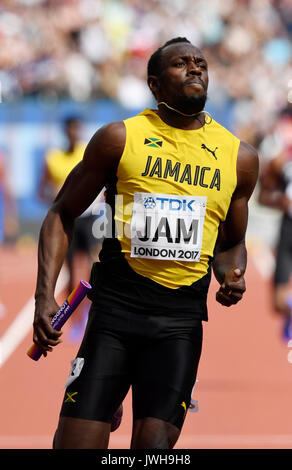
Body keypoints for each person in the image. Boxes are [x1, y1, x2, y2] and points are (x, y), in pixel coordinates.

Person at [32, 37, 259, 449]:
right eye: (181, 64)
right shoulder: (120, 138)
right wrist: (44, 296)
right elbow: (61, 212)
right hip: (115, 314)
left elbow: (232, 243)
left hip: (180, 324)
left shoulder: (238, 157)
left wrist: (231, 275)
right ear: (154, 85)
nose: (195, 69)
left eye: (201, 63)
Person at [38, 116, 101, 339]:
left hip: (92, 219)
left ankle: (91, 317)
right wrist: (57, 203)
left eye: (78, 128)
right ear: (65, 131)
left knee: (96, 269)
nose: (74, 132)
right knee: (73, 276)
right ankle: (76, 322)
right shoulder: (53, 158)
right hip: (69, 220)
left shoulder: (89, 152)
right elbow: (41, 189)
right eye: (71, 129)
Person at [258, 105, 292, 338]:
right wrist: (283, 202)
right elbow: (263, 196)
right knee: (279, 302)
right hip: (289, 229)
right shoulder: (281, 161)